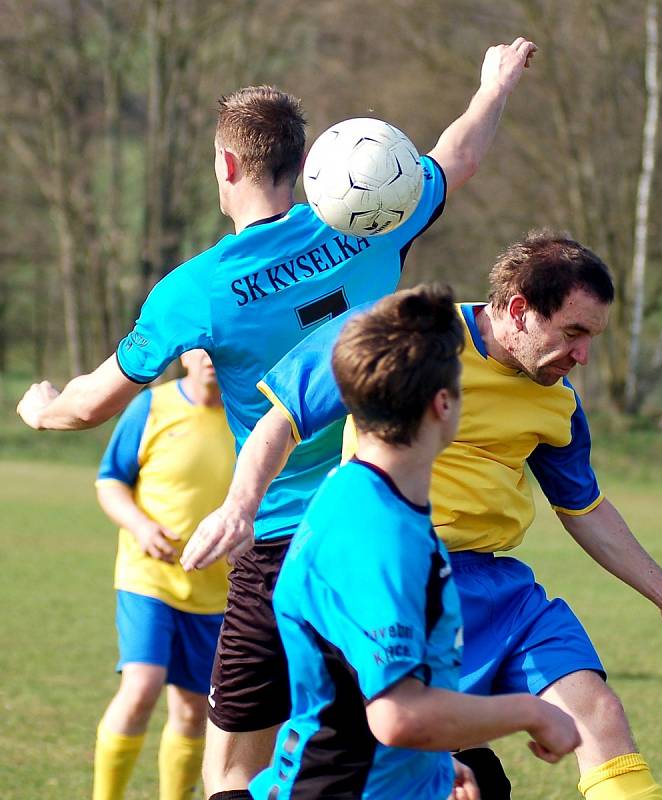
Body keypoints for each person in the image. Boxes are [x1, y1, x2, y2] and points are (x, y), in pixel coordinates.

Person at [17, 36, 538, 800]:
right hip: (381, 521)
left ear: (226, 166)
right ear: (303, 165)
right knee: (407, 726)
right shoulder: (368, 221)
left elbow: (89, 405)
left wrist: (39, 409)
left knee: (233, 770)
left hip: (275, 538)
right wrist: (493, 87)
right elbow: (456, 157)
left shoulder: (191, 292)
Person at [187, 231, 662, 800]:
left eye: (592, 338)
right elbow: (286, 415)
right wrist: (240, 507)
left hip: (498, 590)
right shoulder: (411, 342)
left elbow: (585, 506)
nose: (582, 356)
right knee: (369, 763)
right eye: (572, 333)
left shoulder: (558, 400)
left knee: (596, 712)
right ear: (519, 310)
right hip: (400, 579)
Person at [248, 284, 580, 800]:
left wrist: (434, 769)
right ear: (444, 405)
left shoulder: (382, 503)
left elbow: (377, 679)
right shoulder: (374, 535)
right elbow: (398, 716)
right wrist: (531, 712)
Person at [93, 349, 235, 800]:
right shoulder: (151, 406)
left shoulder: (249, 419)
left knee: (194, 713)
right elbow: (110, 479)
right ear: (185, 355)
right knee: (142, 686)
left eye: (221, 347)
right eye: (202, 347)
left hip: (216, 591)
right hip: (147, 577)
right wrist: (140, 525)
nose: (212, 356)